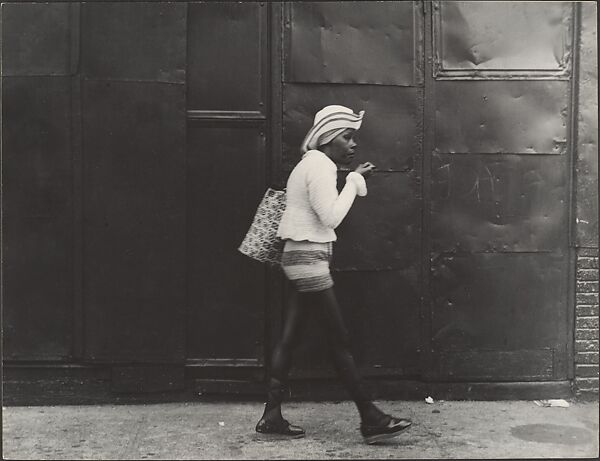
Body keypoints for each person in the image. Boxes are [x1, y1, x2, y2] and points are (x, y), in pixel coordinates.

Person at [255, 105, 412, 444]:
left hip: (298, 256)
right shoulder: (322, 166)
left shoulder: (307, 164)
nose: (353, 144)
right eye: (347, 136)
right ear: (328, 139)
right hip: (310, 258)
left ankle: (271, 415)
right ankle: (370, 417)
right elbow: (331, 217)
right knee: (339, 340)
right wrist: (354, 180)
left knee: (291, 335)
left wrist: (350, 177)